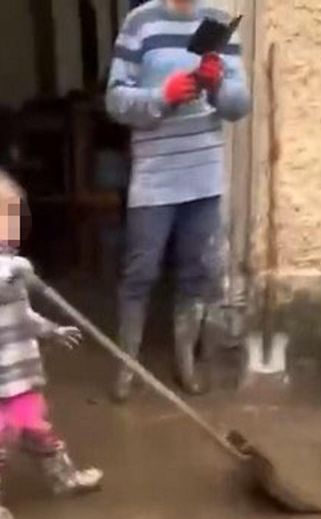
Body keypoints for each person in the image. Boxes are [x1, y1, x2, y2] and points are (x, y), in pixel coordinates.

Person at [0, 167, 103, 519]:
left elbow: (19, 313)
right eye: (10, 218)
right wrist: (8, 270)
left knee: (36, 425)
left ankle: (64, 477)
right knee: (1, 436)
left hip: (16, 365)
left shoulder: (0, 258)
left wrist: (49, 330)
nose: (17, 227)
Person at [107, 0, 251, 401]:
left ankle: (185, 360)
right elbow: (115, 100)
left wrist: (217, 83)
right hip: (153, 176)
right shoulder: (140, 22)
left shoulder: (220, 24)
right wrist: (162, 94)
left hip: (203, 176)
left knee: (196, 272)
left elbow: (240, 105)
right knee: (140, 271)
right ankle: (127, 364)